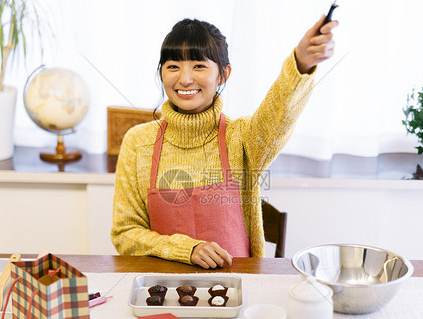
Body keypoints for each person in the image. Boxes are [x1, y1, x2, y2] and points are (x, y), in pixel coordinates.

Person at [111, 16, 337, 269]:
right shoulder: (138, 142)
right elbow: (125, 233)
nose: (185, 79)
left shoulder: (242, 137)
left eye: (199, 66)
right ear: (161, 72)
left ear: (223, 74)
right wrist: (187, 249)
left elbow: (280, 112)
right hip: (163, 288)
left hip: (236, 288)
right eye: (173, 66)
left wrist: (302, 62)